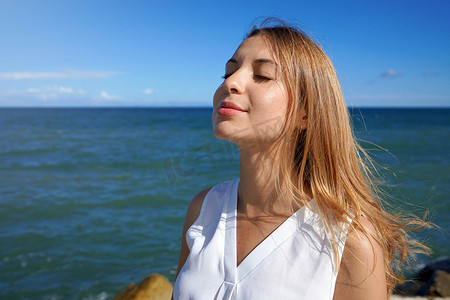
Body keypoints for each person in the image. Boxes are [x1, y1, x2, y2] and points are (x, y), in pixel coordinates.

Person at [172, 19, 429, 300]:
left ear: (305, 113)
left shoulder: (350, 241)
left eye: (262, 75)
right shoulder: (203, 210)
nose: (231, 83)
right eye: (228, 72)